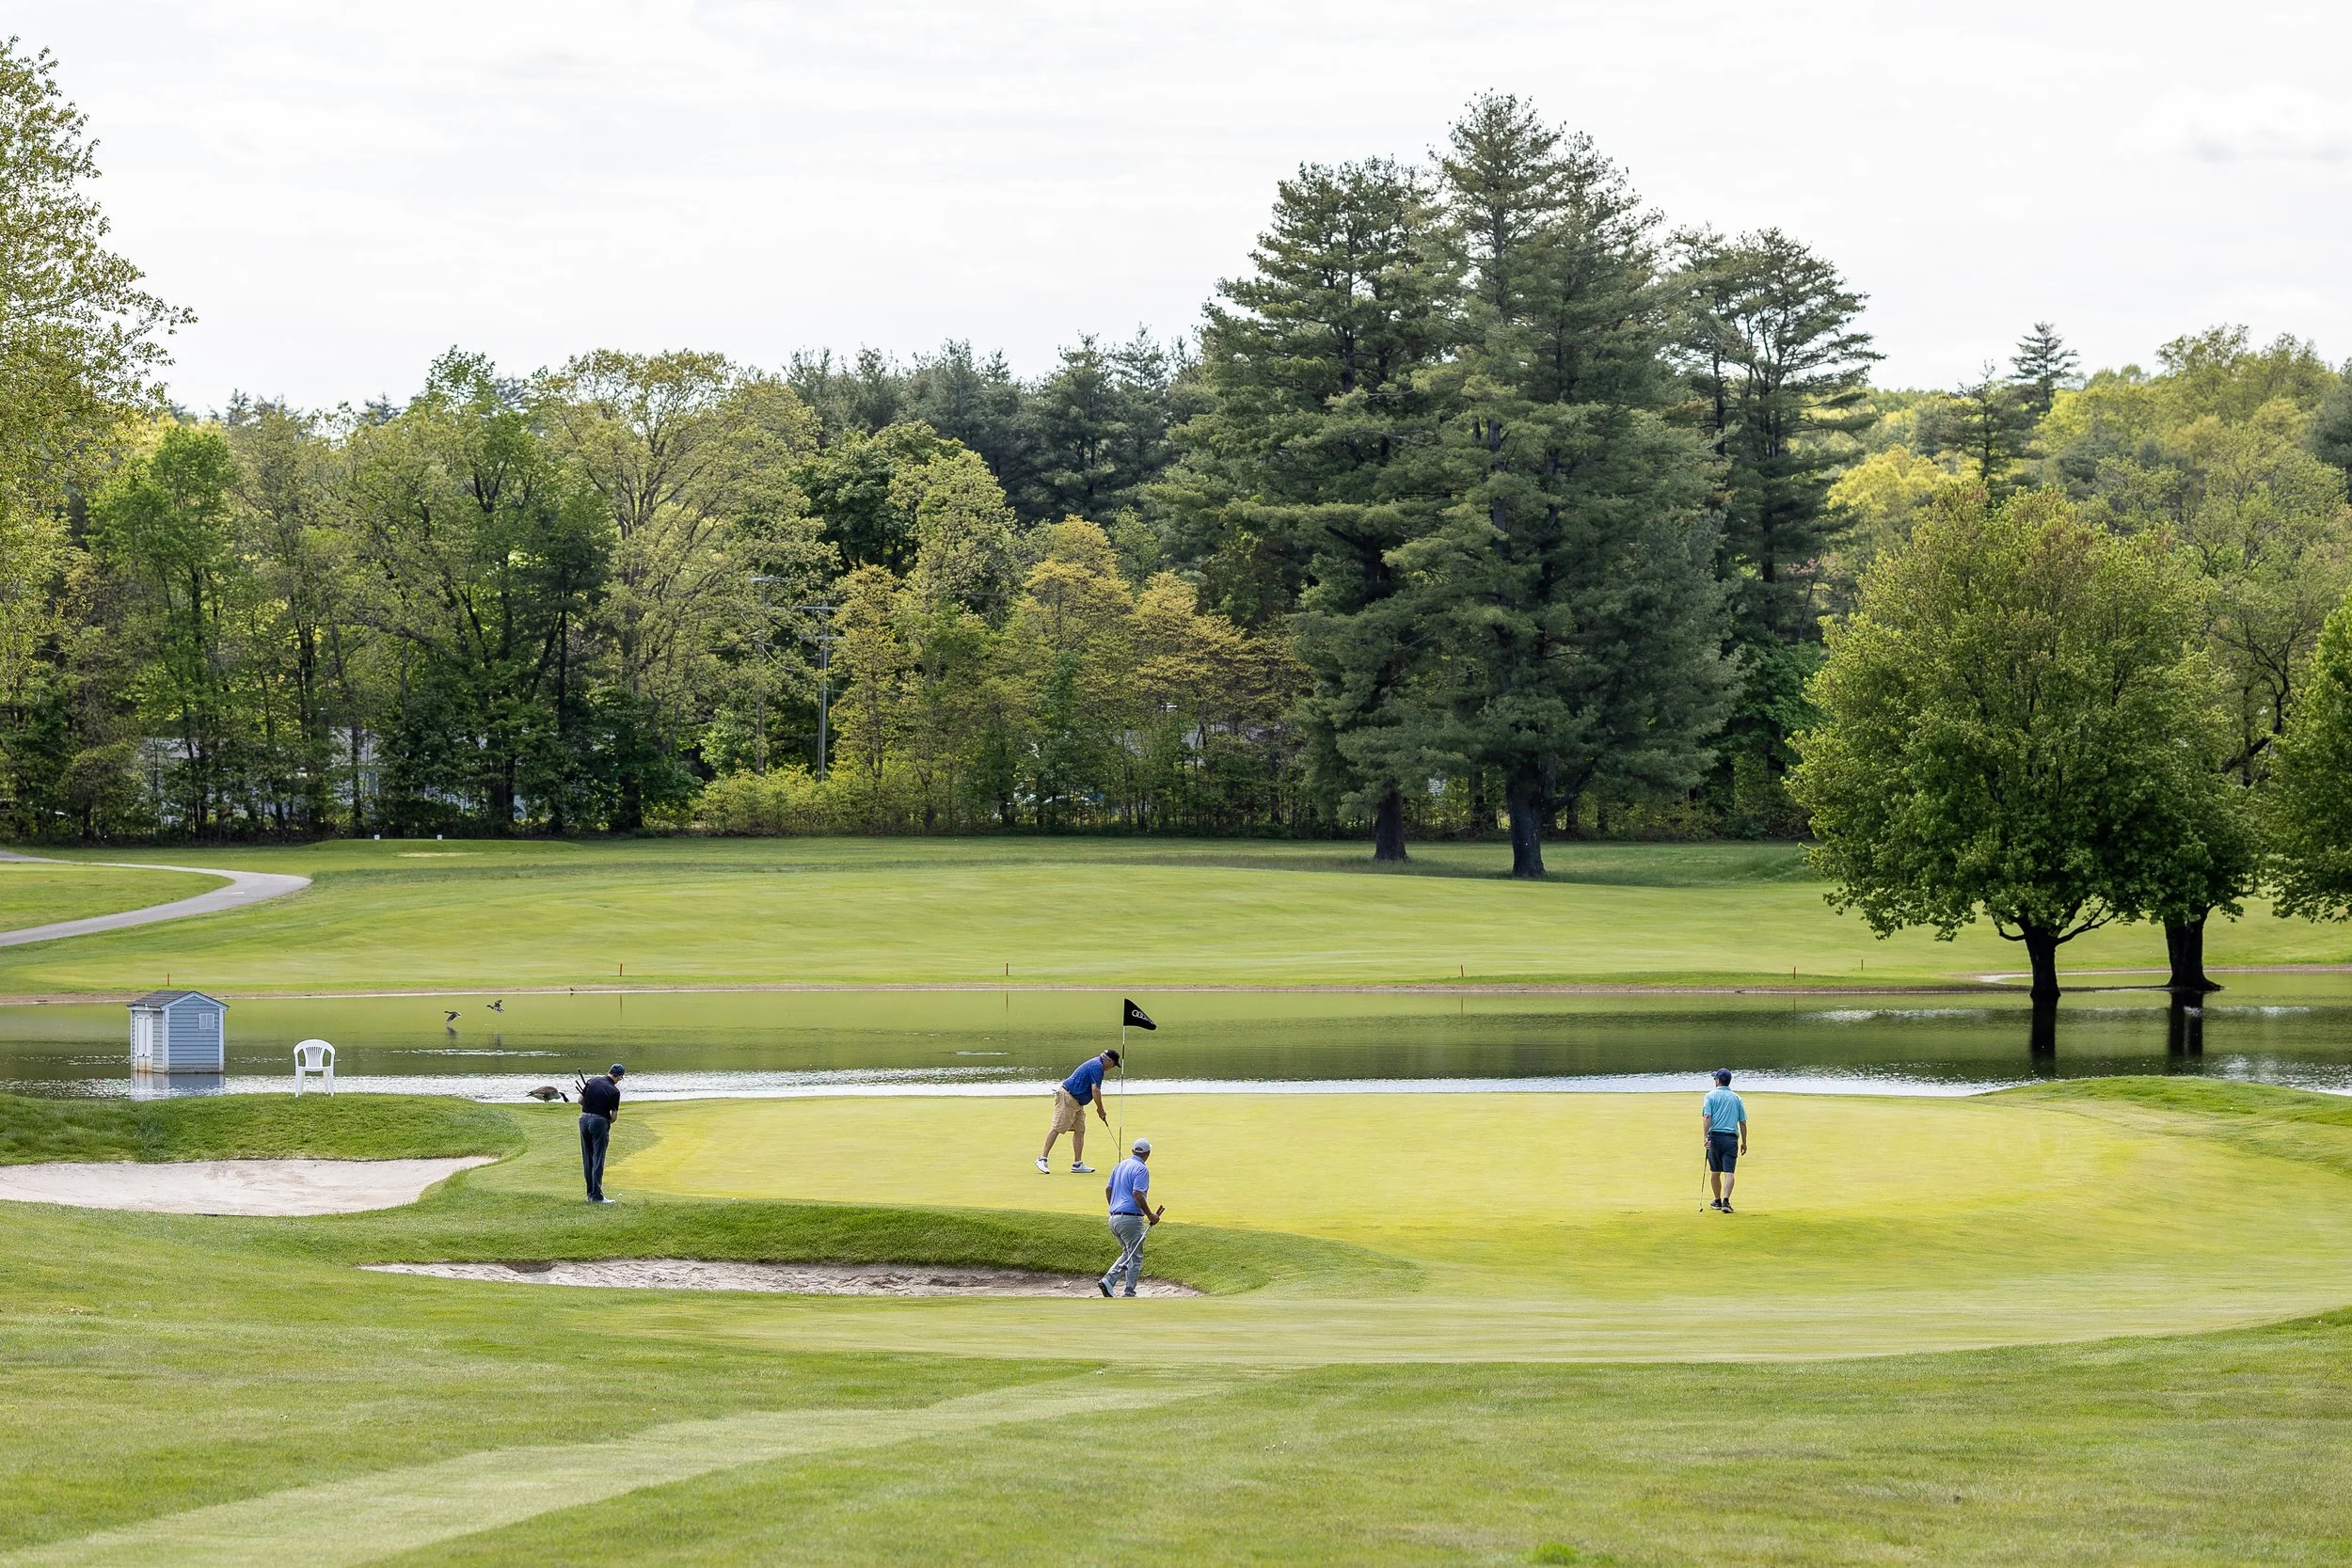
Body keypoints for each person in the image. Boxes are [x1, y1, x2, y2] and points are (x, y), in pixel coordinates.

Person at [1098, 1138, 1164, 1297]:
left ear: (1133, 1150)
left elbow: (1108, 1189)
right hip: (1130, 1219)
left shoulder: (1119, 1166)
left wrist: (1114, 1206)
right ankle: (1128, 1291)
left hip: (1114, 1218)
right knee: (1135, 1256)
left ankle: (1109, 1282)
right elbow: (1137, 1193)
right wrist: (1150, 1214)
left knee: (1128, 1253)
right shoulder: (1141, 1169)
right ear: (1147, 1154)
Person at [1038, 1048, 1120, 1174]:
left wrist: (1099, 1108)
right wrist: (1100, 1109)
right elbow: (1095, 1090)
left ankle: (1077, 1164)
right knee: (1057, 1127)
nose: (1112, 1068)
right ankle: (1042, 1159)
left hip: (1078, 1103)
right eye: (1113, 1065)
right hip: (1068, 1097)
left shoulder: (1098, 1065)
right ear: (1109, 1061)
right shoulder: (1097, 1067)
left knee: (1080, 1130)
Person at [1702, 1068, 1748, 1212]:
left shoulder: (1710, 1096)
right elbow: (1743, 1122)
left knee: (1715, 1172)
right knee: (1729, 1172)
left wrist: (1705, 1137)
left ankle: (1717, 1200)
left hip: (1714, 1137)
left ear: (1718, 1081)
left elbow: (1707, 1117)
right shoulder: (1736, 1098)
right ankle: (1726, 1201)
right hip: (1731, 1139)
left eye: (1715, 1078)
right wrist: (1744, 1142)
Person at [579, 1063, 626, 1204]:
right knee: (598, 1158)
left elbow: (580, 1100)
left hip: (583, 1119)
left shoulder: (591, 1081)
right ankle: (597, 1196)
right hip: (599, 1122)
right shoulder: (614, 1091)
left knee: (588, 1158)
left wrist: (592, 1108)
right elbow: (614, 1117)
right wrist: (603, 1120)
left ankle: (590, 1194)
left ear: (609, 1072)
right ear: (620, 1077)